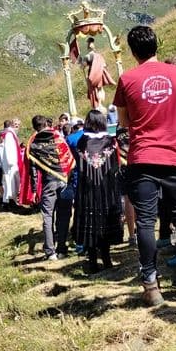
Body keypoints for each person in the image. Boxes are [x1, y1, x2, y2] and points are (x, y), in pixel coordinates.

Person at [112, 25, 176, 306]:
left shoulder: (127, 79)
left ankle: (151, 283)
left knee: (146, 223)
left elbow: (124, 122)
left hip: (142, 158)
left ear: (131, 50)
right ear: (157, 45)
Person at [73, 108, 123, 273]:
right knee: (106, 222)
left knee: (90, 223)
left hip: (87, 192)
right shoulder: (110, 142)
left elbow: (79, 168)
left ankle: (93, 261)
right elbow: (115, 167)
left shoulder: (82, 142)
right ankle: (107, 260)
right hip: (106, 191)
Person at [24, 115, 75, 261]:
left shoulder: (33, 144)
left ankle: (50, 251)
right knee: (64, 215)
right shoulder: (58, 137)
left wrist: (34, 190)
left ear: (34, 127)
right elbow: (69, 158)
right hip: (65, 180)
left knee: (47, 216)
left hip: (49, 182)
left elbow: (33, 170)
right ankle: (62, 248)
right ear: (46, 123)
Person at [0, 119, 23, 209]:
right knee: (10, 183)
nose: (17, 126)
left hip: (13, 162)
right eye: (15, 124)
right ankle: (9, 202)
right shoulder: (9, 134)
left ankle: (10, 201)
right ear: (12, 124)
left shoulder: (12, 133)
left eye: (18, 124)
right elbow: (8, 149)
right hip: (11, 163)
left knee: (12, 183)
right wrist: (11, 162)